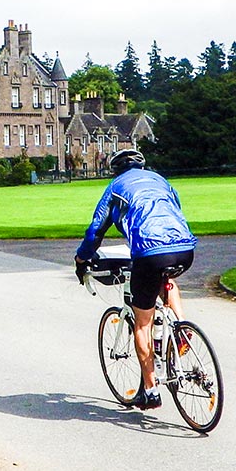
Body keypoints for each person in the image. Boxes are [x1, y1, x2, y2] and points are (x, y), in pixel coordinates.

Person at [74, 148, 198, 411]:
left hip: (148, 252)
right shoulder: (160, 180)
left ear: (115, 170)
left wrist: (82, 259)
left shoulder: (115, 187)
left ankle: (151, 390)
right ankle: (182, 329)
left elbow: (96, 230)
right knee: (168, 280)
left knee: (142, 323)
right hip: (185, 248)